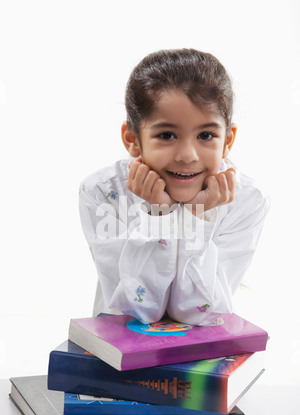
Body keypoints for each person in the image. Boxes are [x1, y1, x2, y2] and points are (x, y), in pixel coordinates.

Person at [79, 48, 269, 326]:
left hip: (202, 362)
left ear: (228, 140)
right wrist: (158, 217)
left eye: (206, 135)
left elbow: (196, 313)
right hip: (119, 362)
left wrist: (198, 215)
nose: (187, 155)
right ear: (132, 138)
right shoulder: (103, 193)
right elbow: (138, 312)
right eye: (167, 135)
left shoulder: (246, 200)